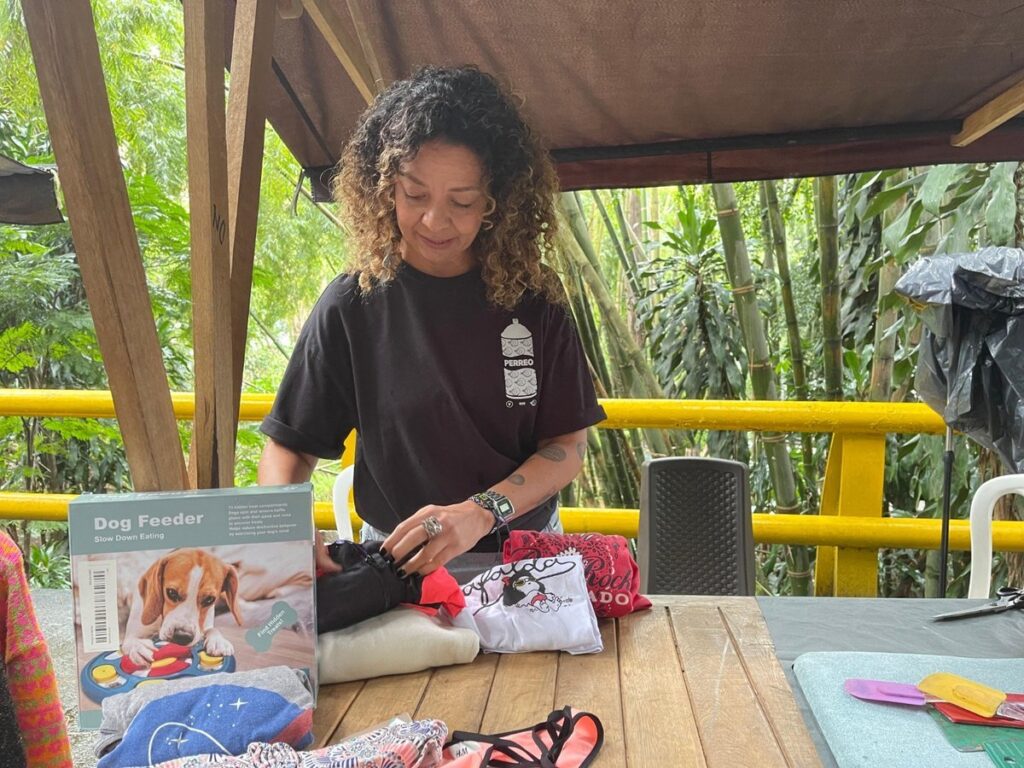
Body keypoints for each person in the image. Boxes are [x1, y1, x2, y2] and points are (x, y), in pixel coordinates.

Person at [258, 66, 605, 578]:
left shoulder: (535, 302)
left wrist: (480, 512)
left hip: (525, 560)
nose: (435, 221)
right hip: (399, 564)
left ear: (497, 202)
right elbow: (289, 446)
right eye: (415, 195)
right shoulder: (353, 304)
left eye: (462, 202)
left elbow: (566, 446)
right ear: (384, 189)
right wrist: (284, 528)